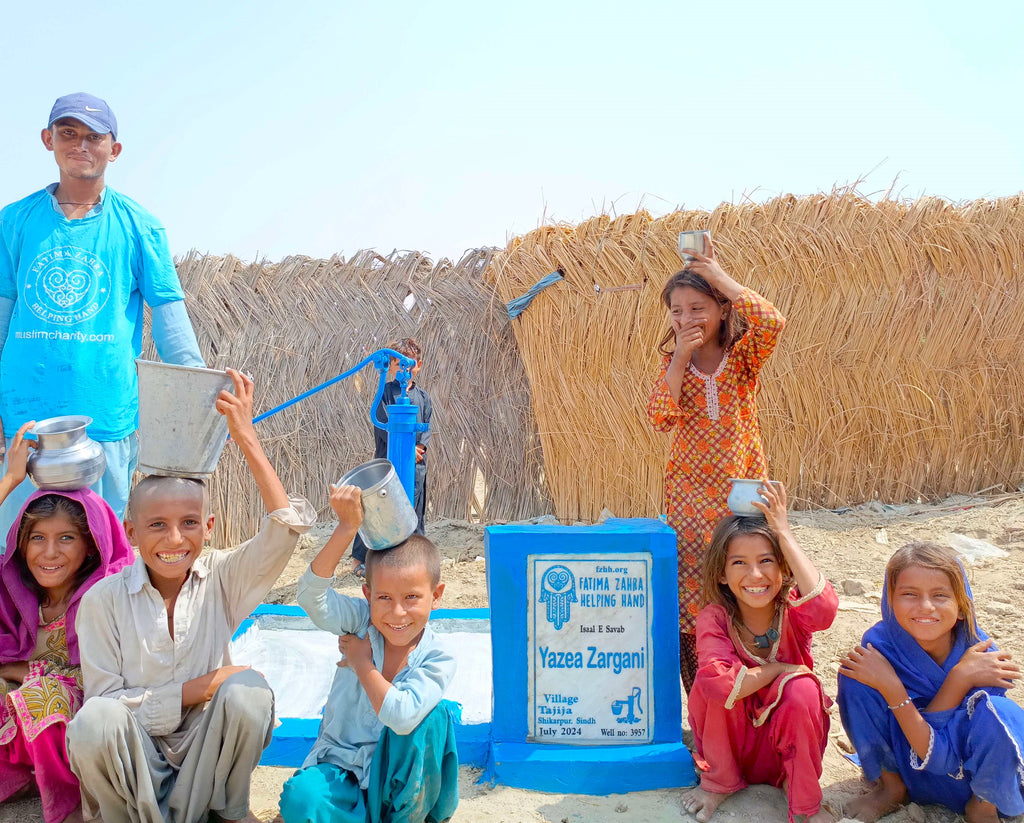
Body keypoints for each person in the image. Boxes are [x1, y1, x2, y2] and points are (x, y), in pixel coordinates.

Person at [65, 370, 316, 823]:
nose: (174, 539)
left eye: (190, 523)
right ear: (131, 532)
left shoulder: (222, 577)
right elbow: (108, 705)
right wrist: (198, 689)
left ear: (210, 526)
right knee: (92, 723)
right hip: (135, 762)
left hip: (207, 750)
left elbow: (284, 531)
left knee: (249, 693)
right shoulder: (103, 601)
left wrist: (246, 438)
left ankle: (228, 810)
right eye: (157, 525)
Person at [0, 92, 205, 534]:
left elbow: (171, 324)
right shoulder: (13, 221)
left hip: (106, 416)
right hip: (23, 419)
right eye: (68, 133)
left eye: (94, 137)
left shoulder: (141, 226)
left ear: (114, 150)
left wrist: (201, 399)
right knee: (19, 546)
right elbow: (2, 315)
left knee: (101, 546)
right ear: (47, 140)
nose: (81, 146)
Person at [646, 236, 786, 692]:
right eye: (677, 311)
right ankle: (704, 696)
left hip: (741, 497)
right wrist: (680, 358)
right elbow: (660, 417)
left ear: (722, 309)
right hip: (688, 501)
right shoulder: (675, 366)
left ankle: (757, 687)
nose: (686, 319)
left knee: (748, 580)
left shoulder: (743, 359)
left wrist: (717, 274)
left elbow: (773, 321)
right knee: (691, 595)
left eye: (698, 307)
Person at [281, 484, 458, 823]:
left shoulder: (438, 657)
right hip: (342, 768)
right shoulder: (361, 623)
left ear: (436, 596)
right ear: (367, 594)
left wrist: (362, 664)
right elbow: (310, 597)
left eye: (412, 598)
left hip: (399, 783)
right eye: (384, 598)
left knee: (432, 717)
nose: (397, 613)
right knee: (301, 799)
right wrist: (346, 527)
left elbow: (402, 716)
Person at [0, 421, 134, 823]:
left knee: (45, 693)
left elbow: (105, 678)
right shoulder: (13, 595)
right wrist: (10, 478)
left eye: (66, 538)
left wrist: (23, 670)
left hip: (77, 732)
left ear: (92, 544)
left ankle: (68, 803)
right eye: (37, 538)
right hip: (17, 728)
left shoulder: (113, 595)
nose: (49, 553)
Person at [682, 481, 838, 823]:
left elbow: (825, 610)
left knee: (803, 691)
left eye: (767, 560)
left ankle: (803, 802)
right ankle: (719, 783)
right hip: (732, 749)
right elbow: (720, 685)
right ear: (722, 575)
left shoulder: (794, 611)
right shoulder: (715, 617)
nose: (755, 575)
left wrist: (783, 531)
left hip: (783, 748)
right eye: (739, 562)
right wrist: (779, 669)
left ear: (784, 571)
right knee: (713, 684)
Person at [837, 542, 1024, 823]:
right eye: (909, 594)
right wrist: (953, 681)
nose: (925, 607)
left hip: (969, 779)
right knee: (855, 675)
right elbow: (918, 752)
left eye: (940, 595)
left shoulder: (982, 657)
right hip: (909, 771)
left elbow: (943, 758)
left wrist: (958, 677)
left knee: (1001, 712)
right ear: (889, 601)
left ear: (961, 607)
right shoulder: (880, 646)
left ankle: (983, 809)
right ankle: (891, 787)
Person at [351, 337, 433, 577]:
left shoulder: (424, 397)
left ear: (418, 365)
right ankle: (360, 560)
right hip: (389, 463)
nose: (404, 370)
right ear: (392, 365)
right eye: (399, 365)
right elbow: (382, 428)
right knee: (376, 510)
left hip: (415, 464)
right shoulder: (384, 394)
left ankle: (413, 559)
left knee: (413, 508)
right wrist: (406, 449)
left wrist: (419, 449)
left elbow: (425, 428)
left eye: (409, 365)